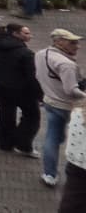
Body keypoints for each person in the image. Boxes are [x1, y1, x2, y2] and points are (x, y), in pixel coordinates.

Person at [37, 28, 86, 187]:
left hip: (49, 101)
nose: (77, 46)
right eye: (72, 42)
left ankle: (49, 174)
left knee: (52, 137)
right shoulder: (66, 64)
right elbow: (71, 90)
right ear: (58, 42)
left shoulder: (41, 54)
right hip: (66, 106)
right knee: (70, 138)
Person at [0, 22, 41, 156]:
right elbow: (31, 77)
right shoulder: (26, 54)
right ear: (15, 34)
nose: (30, 36)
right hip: (20, 89)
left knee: (6, 111)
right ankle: (22, 144)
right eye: (26, 33)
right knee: (32, 115)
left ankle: (5, 142)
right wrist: (39, 94)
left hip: (0, 84)